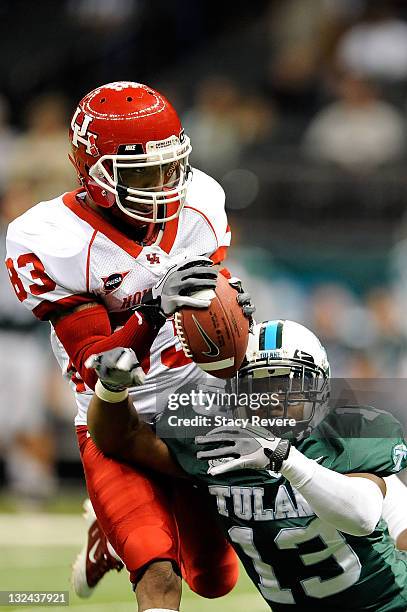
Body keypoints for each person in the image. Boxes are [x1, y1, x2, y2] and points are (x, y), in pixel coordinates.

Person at [5, 81, 255, 611]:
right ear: (90, 170)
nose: (165, 186)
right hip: (115, 416)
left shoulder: (201, 202)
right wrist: (152, 309)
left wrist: (230, 311)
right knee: (160, 578)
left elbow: (214, 295)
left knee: (215, 581)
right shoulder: (49, 236)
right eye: (141, 173)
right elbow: (99, 367)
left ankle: (108, 542)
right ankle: (127, 544)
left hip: (192, 406)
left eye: (170, 167)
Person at [86, 319, 407, 611]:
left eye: (289, 384)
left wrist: (283, 457)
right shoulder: (218, 440)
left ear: (320, 386)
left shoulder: (350, 431)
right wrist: (112, 390)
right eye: (260, 386)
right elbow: (121, 439)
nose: (274, 399)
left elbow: (363, 516)